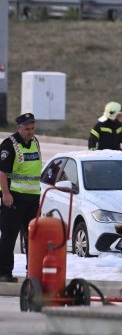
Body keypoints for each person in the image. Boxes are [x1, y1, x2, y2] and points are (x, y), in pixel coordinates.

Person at [0, 113, 42, 283]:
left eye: (32, 128)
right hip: (14, 198)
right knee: (9, 236)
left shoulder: (35, 142)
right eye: (27, 129)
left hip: (32, 198)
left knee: (32, 238)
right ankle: (4, 273)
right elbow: (2, 171)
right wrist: (6, 193)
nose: (30, 132)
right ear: (19, 128)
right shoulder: (9, 145)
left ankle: (31, 273)